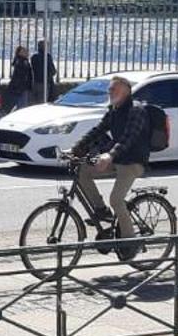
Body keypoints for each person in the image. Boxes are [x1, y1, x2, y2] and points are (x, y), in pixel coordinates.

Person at [68, 75, 153, 247]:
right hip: (116, 158)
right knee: (83, 169)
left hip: (133, 161)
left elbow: (128, 139)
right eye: (110, 88)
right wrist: (75, 149)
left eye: (113, 88)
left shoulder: (136, 110)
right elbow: (97, 130)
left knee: (116, 199)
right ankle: (101, 210)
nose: (109, 91)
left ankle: (130, 242)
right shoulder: (113, 109)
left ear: (125, 91)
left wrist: (109, 155)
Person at [4, 44, 33, 111]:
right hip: (20, 87)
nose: (27, 52)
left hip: (20, 87)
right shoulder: (21, 61)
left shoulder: (22, 61)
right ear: (20, 53)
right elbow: (21, 75)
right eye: (24, 51)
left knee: (20, 105)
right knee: (22, 106)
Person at [28, 40, 57, 104]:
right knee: (42, 103)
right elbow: (52, 70)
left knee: (35, 102)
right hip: (45, 82)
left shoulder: (33, 57)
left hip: (35, 82)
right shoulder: (47, 56)